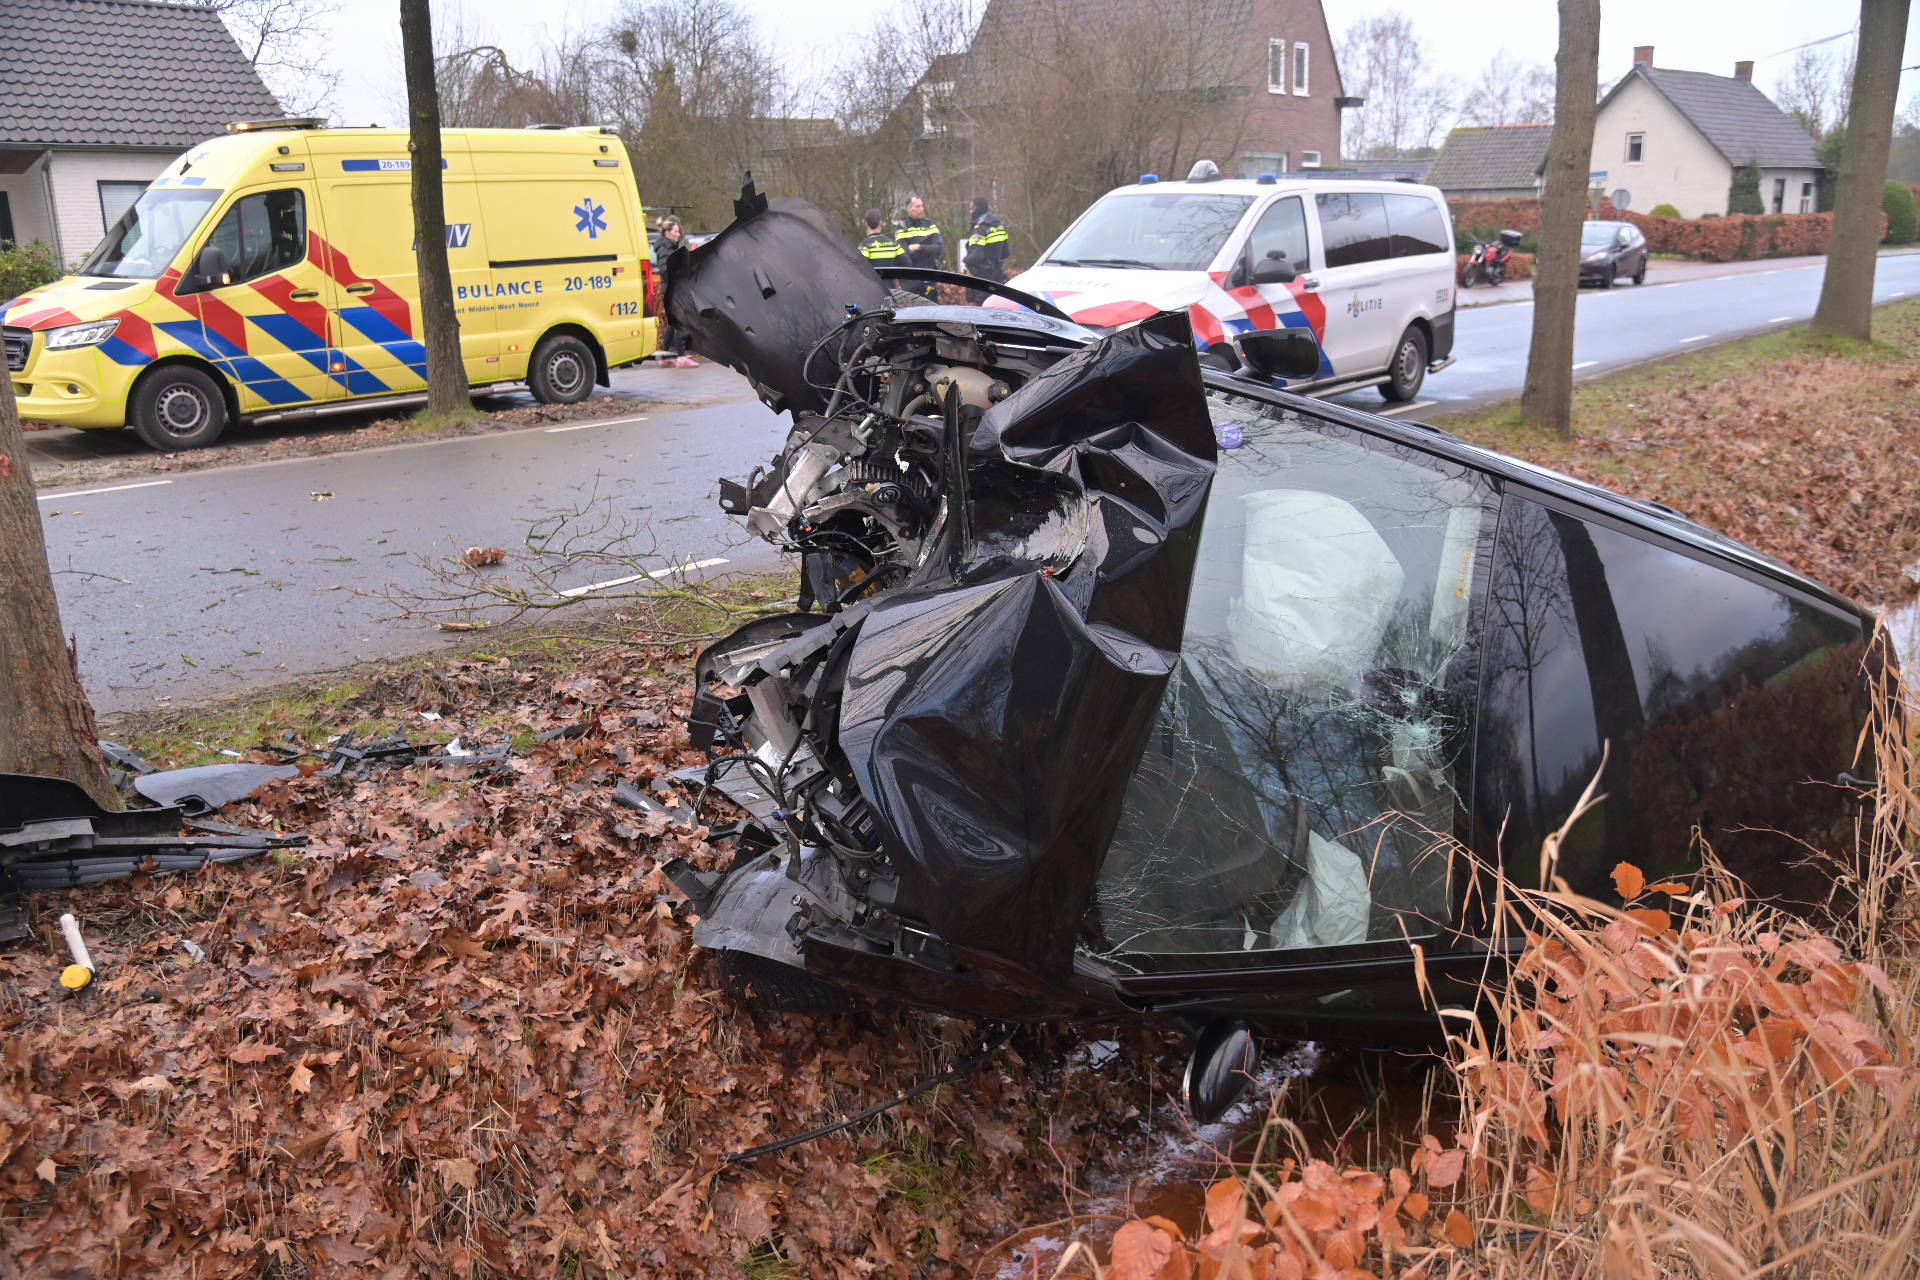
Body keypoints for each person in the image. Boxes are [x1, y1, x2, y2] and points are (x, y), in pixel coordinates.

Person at [649, 216, 698, 367]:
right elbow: (665, 269)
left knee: (672, 323)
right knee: (679, 321)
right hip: (672, 287)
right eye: (676, 231)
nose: (678, 234)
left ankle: (664, 357)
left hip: (671, 286)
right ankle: (681, 357)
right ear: (668, 232)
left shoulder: (668, 246)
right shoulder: (665, 247)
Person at [893, 195, 944, 297]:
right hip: (911, 278)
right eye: (918, 206)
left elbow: (938, 248)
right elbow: (903, 253)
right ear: (909, 209)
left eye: (922, 206)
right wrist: (927, 249)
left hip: (929, 275)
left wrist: (919, 247)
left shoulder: (929, 224)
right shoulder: (902, 227)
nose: (922, 209)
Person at [962, 195, 1010, 300]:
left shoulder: (980, 227)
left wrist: (965, 262)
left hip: (983, 279)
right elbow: (1006, 252)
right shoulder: (999, 225)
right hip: (998, 275)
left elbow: (977, 255)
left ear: (976, 208)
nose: (970, 212)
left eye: (971, 208)